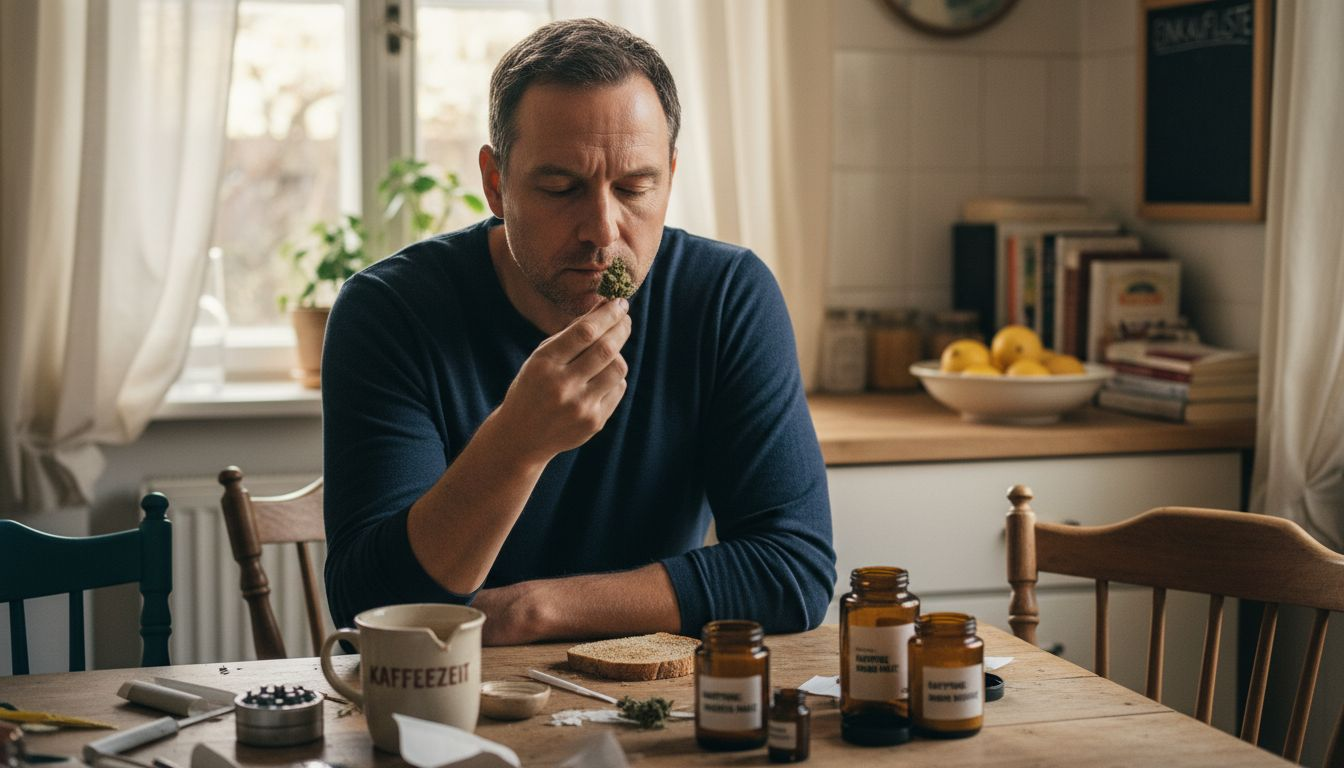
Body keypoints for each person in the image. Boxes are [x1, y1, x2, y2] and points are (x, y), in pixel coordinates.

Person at [322, 18, 834, 645]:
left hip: (653, 704)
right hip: (445, 704)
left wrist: (536, 610)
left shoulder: (726, 296)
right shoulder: (390, 312)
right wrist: (518, 442)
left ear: (670, 177)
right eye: (561, 187)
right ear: (495, 183)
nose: (602, 230)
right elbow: (370, 606)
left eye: (634, 187)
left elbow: (794, 571)